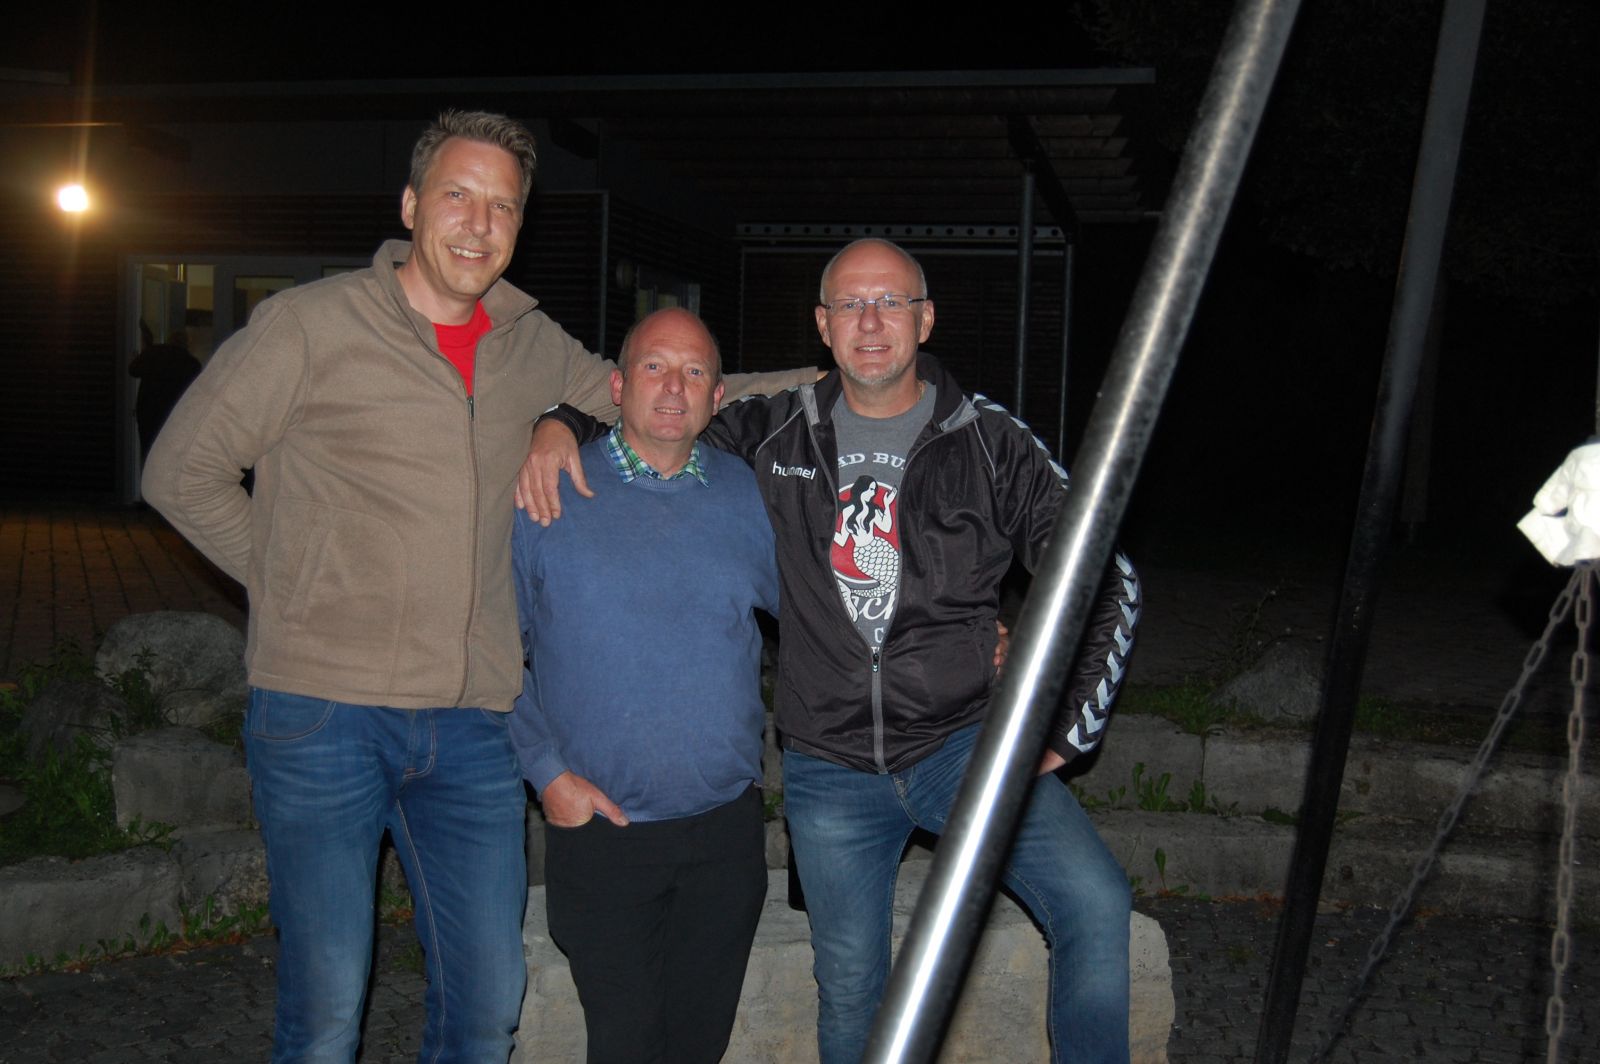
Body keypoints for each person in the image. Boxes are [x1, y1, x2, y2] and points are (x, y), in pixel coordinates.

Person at [142, 110, 811, 1064]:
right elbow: (181, 473)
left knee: (488, 1003)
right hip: (326, 709)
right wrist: (293, 582)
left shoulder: (529, 343)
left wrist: (847, 383)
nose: (479, 222)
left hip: (471, 723)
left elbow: (657, 393)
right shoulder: (311, 325)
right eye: (458, 195)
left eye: (503, 205)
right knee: (328, 1008)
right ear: (411, 205)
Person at [527, 238, 1141, 1064]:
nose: (871, 321)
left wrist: (1066, 729)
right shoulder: (772, 431)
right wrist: (558, 423)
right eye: (851, 304)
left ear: (926, 318)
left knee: (1095, 903)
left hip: (961, 746)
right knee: (851, 983)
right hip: (829, 769)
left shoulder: (989, 441)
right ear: (823, 325)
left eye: (891, 302)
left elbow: (1104, 575)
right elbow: (660, 418)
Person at [510, 307, 777, 1064]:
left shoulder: (747, 495)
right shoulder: (550, 490)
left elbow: (827, 618)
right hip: (603, 833)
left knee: (698, 1045)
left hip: (724, 832)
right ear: (618, 386)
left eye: (694, 372)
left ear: (717, 397)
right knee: (624, 1044)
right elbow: (492, 650)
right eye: (655, 367)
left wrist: (957, 627)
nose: (673, 387)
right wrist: (546, 774)